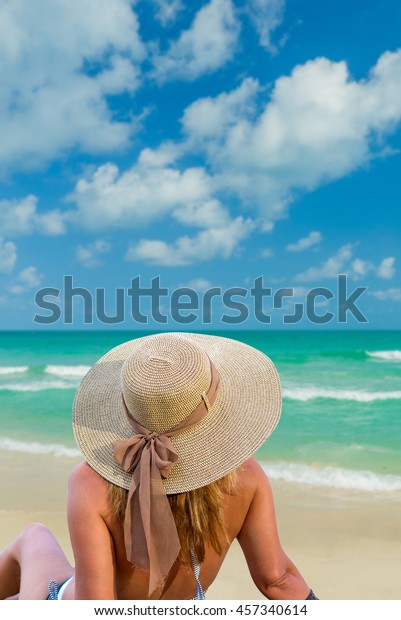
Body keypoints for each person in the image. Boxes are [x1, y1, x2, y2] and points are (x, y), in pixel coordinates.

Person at [0, 332, 318, 600]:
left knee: (34, 537)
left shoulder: (89, 482)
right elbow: (276, 580)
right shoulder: (248, 478)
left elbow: (94, 607)